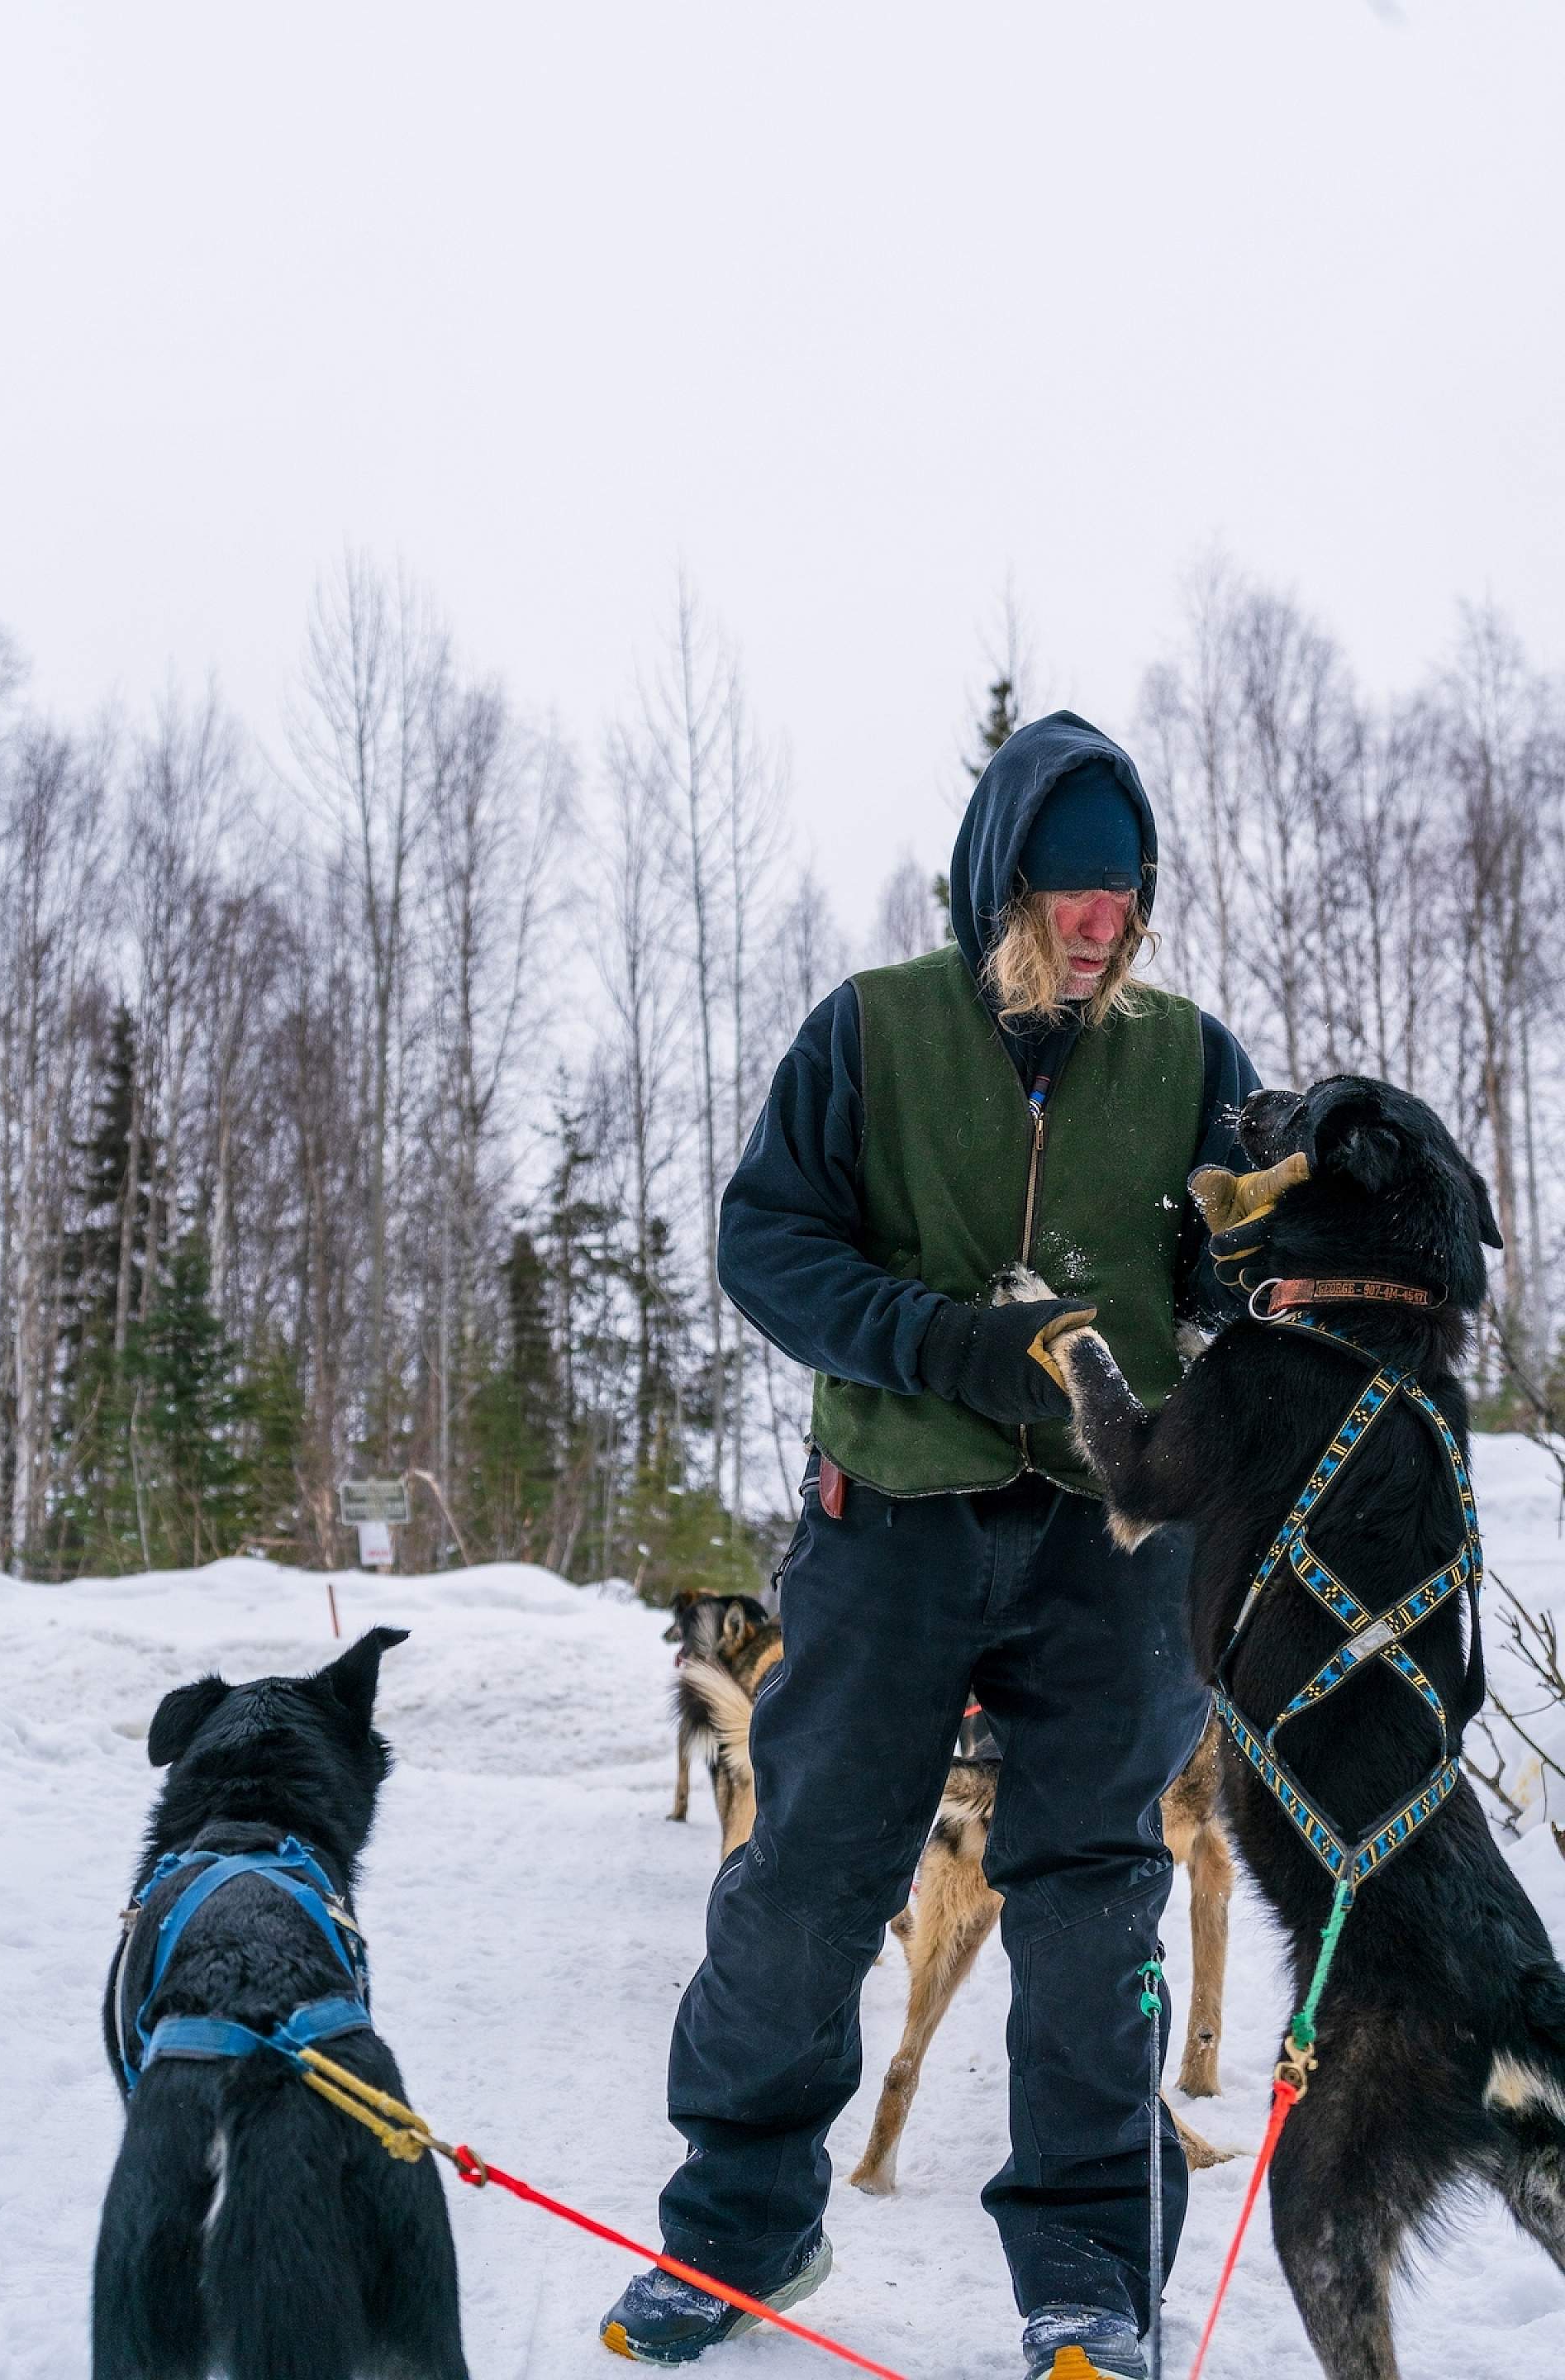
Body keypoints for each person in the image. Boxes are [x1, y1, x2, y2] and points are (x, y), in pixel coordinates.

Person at [600, 712, 1258, 2379]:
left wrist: (1251, 1299)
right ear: (1000, 882)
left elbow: (1248, 1265)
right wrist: (944, 1344)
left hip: (1108, 1548)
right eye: (1072, 893)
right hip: (886, 1522)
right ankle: (741, 2234)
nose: (1105, 925)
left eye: (1128, 896)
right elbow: (767, 1244)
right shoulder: (872, 1036)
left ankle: (1093, 2275)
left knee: (1099, 1901)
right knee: (808, 1885)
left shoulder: (1192, 1061)